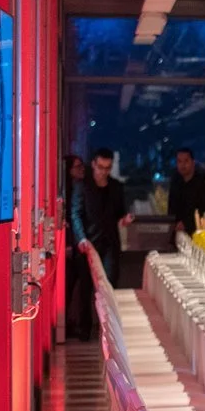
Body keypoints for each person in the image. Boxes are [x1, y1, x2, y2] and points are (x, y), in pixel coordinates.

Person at [77, 146, 133, 301]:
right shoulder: (83, 186)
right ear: (94, 164)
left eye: (108, 168)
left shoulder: (116, 187)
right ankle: (86, 325)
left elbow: (120, 213)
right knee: (85, 290)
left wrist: (125, 219)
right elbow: (76, 214)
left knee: (110, 286)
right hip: (88, 244)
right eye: (101, 167)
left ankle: (107, 325)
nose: (104, 172)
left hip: (110, 244)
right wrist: (81, 238)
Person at [62, 153, 95, 340]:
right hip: (71, 247)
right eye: (77, 167)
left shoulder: (81, 188)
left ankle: (81, 326)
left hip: (78, 247)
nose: (81, 170)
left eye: (82, 166)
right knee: (72, 287)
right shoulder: (69, 190)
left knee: (82, 287)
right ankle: (69, 324)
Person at [165, 145, 205, 231]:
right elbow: (171, 209)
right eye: (179, 161)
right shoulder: (176, 182)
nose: (182, 165)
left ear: (193, 162)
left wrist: (186, 223)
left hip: (200, 233)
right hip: (178, 231)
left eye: (186, 161)